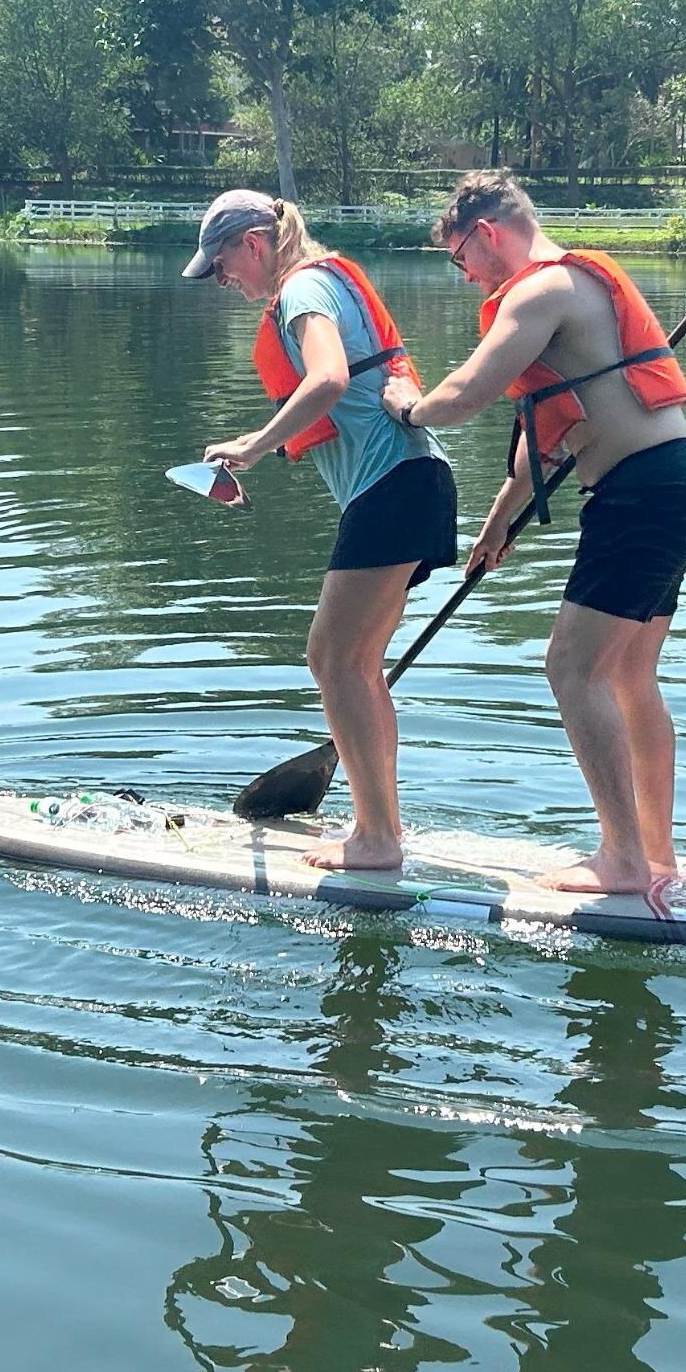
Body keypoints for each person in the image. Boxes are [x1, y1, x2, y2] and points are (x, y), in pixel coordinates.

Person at [385, 170, 686, 901]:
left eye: (460, 257)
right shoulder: (576, 287)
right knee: (628, 676)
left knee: (571, 668)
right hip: (676, 485)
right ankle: (654, 853)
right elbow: (552, 442)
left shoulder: (541, 291)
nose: (465, 274)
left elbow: (463, 396)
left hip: (641, 496)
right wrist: (498, 523)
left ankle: (622, 858)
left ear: (487, 233)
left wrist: (408, 406)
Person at [188, 189, 458, 872]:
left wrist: (252, 445)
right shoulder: (321, 282)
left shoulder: (305, 289)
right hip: (414, 482)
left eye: (221, 264)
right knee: (356, 664)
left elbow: (330, 378)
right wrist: (259, 447)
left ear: (253, 244)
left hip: (393, 487)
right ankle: (382, 826)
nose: (222, 280)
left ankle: (376, 838)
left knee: (333, 659)